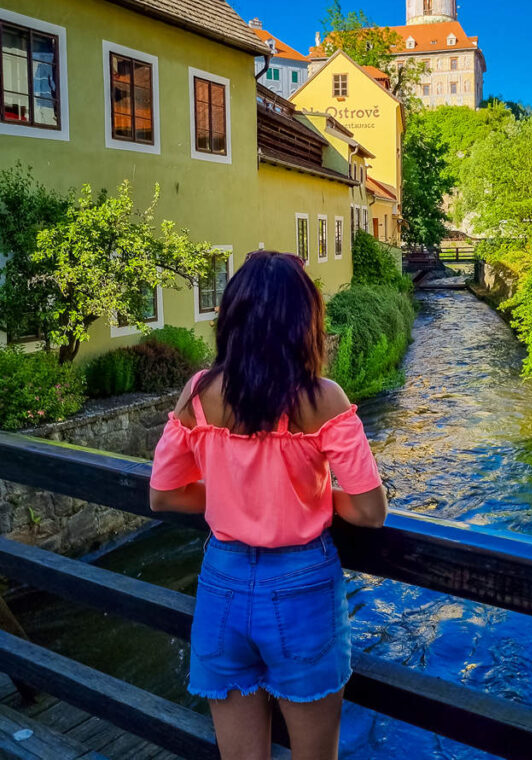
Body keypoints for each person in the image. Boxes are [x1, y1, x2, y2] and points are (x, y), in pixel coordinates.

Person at [149, 251, 387, 760]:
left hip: (221, 584)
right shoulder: (323, 399)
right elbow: (370, 511)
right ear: (305, 321)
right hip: (301, 586)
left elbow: (163, 494)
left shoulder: (197, 393)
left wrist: (238, 496)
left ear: (232, 316)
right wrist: (306, 498)